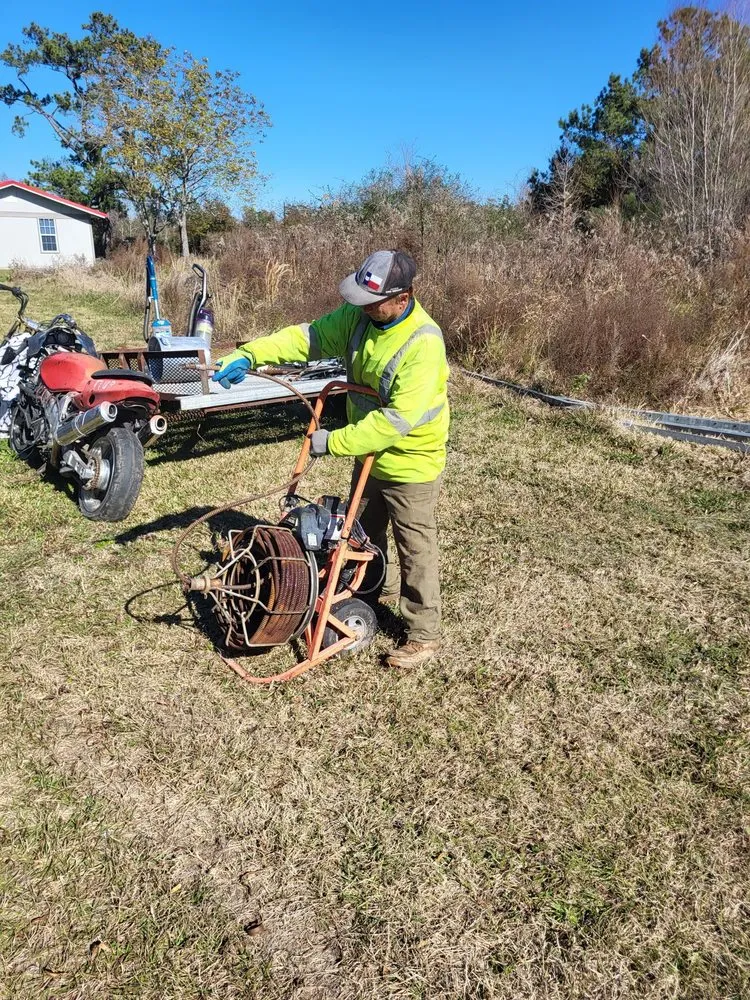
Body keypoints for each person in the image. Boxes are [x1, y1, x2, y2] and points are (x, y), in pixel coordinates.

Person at [212, 250, 449, 669]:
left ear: (403, 297)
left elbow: (396, 420)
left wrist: (334, 441)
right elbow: (307, 338)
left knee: (415, 548)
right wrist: (251, 355)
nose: (363, 308)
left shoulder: (423, 343)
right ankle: (376, 590)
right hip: (369, 454)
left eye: (373, 302)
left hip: (411, 460)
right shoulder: (358, 317)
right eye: (361, 300)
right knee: (363, 535)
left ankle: (423, 635)